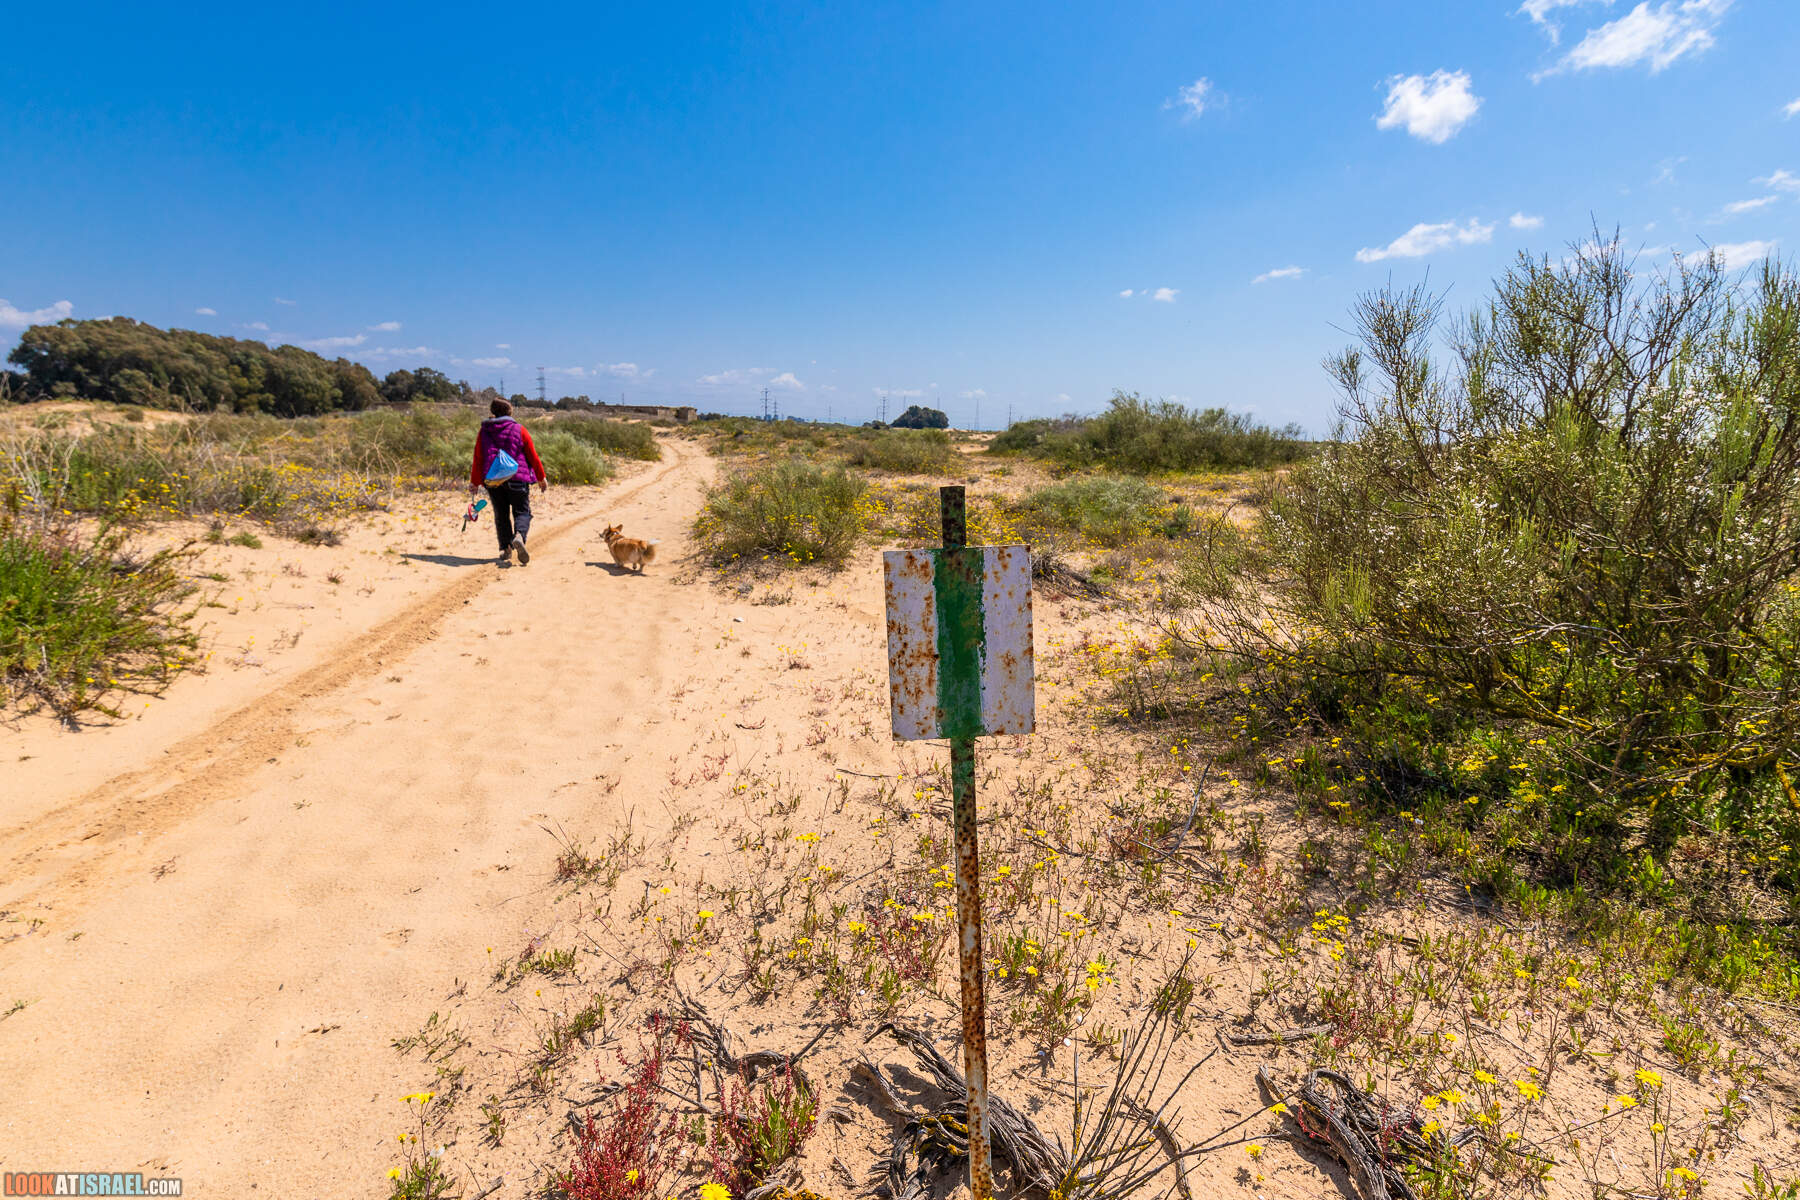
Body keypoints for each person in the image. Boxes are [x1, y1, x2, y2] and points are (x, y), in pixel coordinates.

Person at [469, 398, 548, 564]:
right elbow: (532, 455)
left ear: (493, 412)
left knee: (501, 515)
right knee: (522, 511)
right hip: (517, 477)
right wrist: (541, 478)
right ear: (509, 412)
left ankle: (505, 549)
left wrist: (474, 482)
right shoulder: (519, 429)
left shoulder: (484, 431)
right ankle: (519, 535)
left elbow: (478, 458)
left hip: (493, 480)